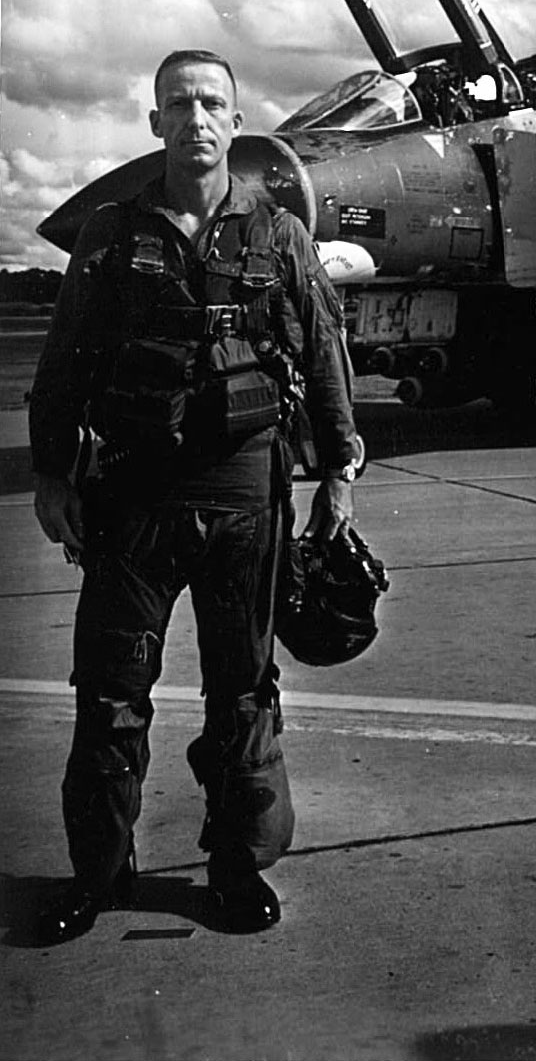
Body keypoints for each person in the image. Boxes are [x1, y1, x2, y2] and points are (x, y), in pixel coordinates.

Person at [30, 49, 360, 941]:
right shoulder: (112, 232)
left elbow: (324, 355)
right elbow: (65, 361)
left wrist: (338, 468)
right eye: (179, 104)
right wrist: (52, 470)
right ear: (156, 122)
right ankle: (98, 875)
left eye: (212, 103)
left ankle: (237, 867)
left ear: (235, 119)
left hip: (246, 506)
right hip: (132, 505)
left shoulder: (278, 235)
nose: (196, 119)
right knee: (108, 697)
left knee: (243, 694)